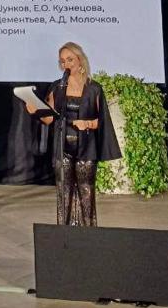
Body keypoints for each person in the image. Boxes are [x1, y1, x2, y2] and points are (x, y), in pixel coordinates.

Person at [25, 42, 121, 226]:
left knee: (86, 191)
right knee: (63, 192)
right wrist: (35, 111)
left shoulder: (94, 89)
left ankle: (89, 232)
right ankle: (64, 233)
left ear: (80, 60)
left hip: (86, 148)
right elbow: (49, 118)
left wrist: (87, 123)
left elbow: (103, 122)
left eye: (70, 60)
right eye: (62, 61)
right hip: (62, 147)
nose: (66, 65)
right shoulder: (57, 87)